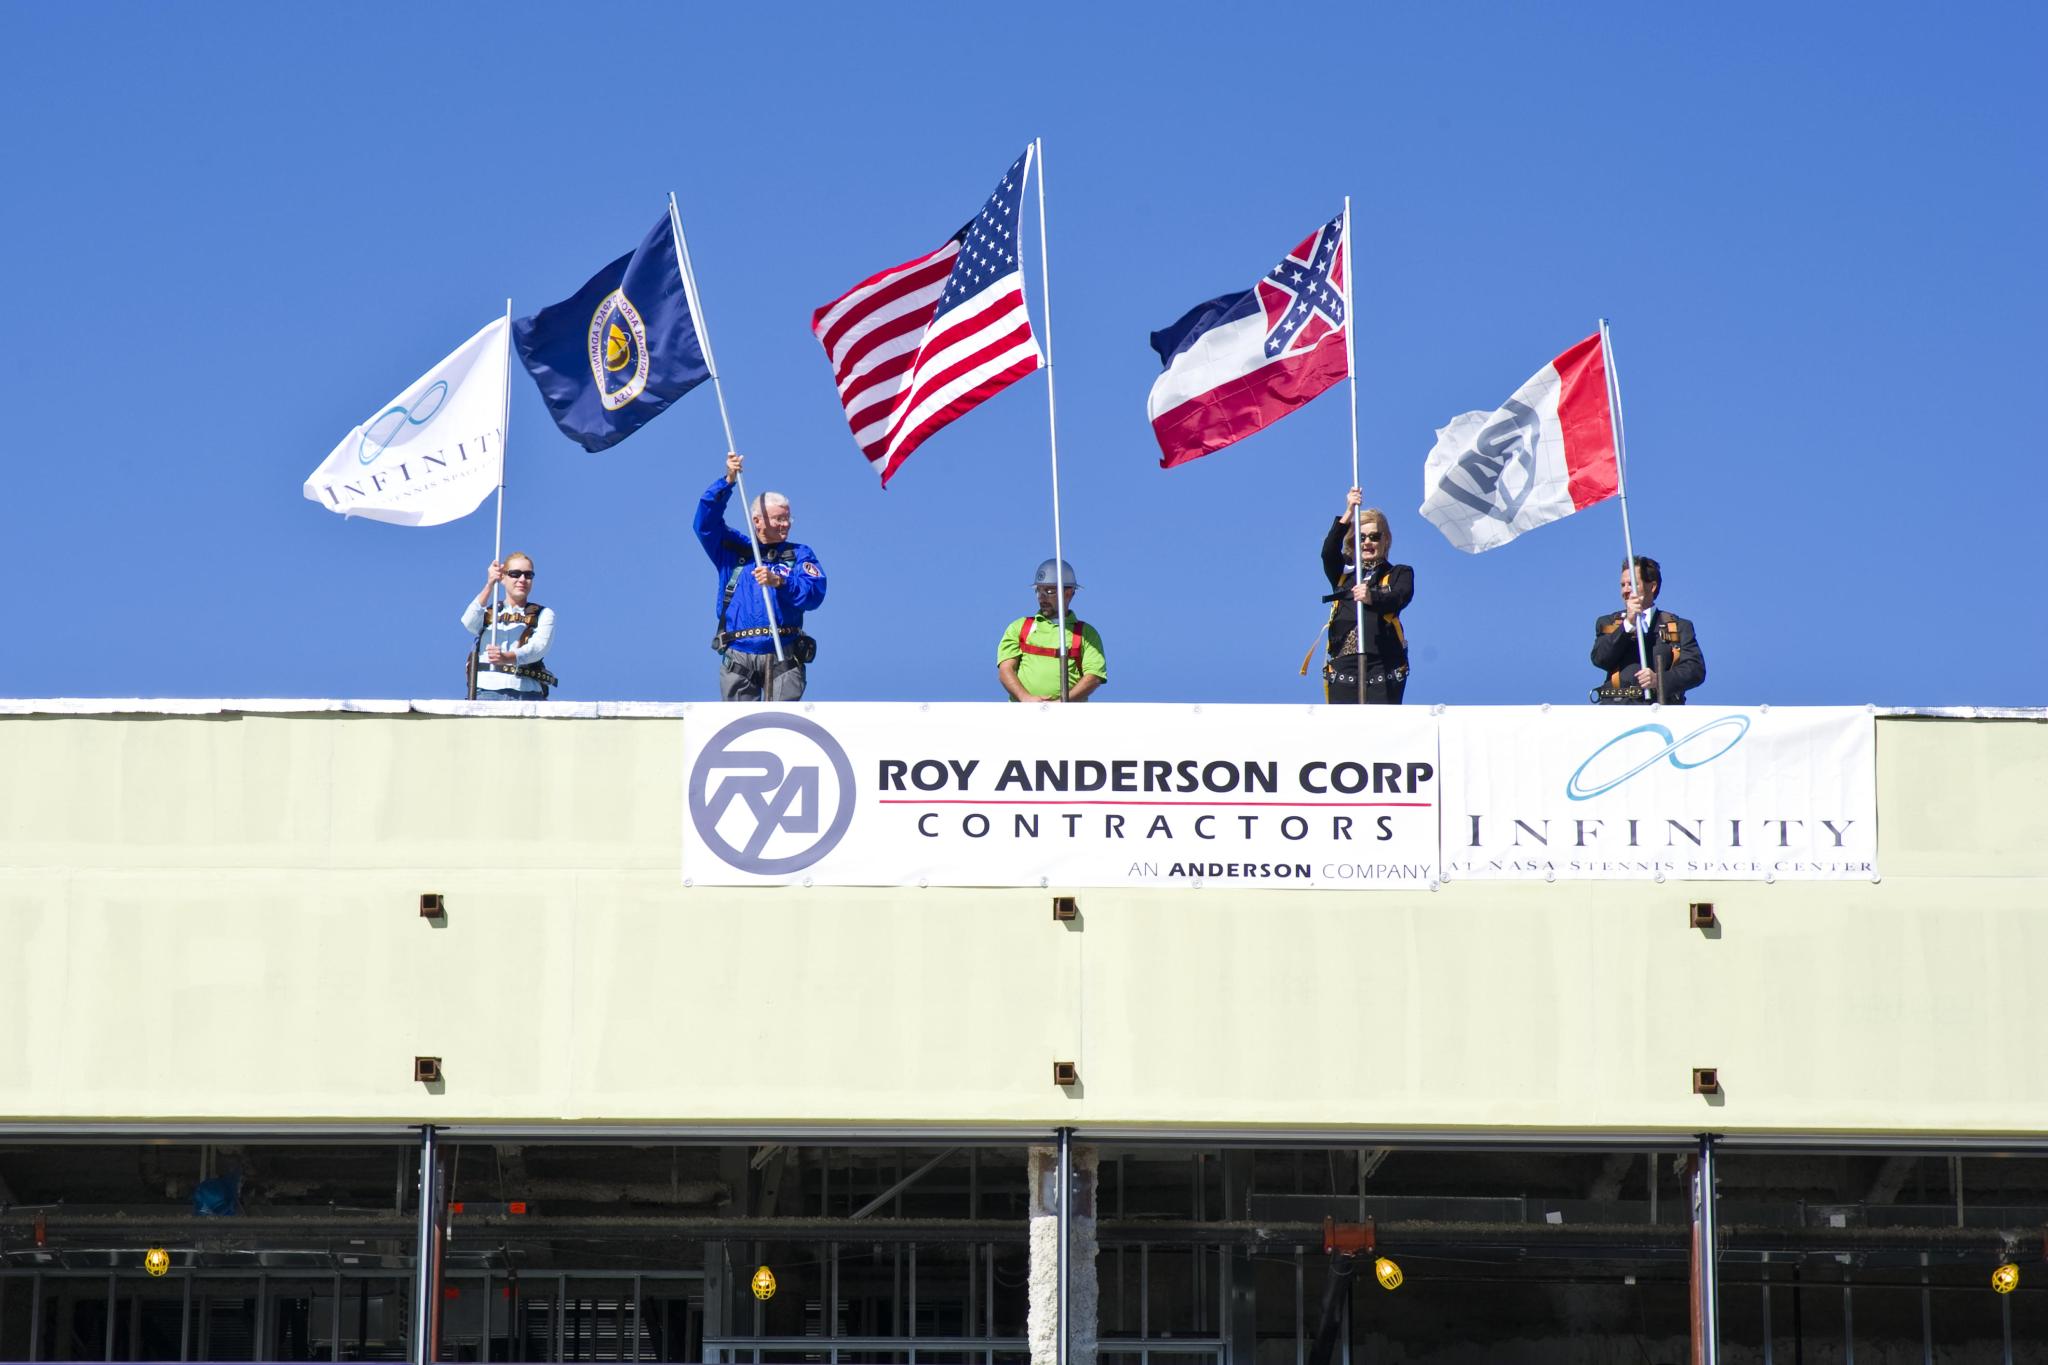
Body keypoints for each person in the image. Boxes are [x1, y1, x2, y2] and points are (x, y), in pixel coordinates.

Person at [695, 451, 826, 701]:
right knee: (741, 733)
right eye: (779, 519)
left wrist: (781, 582)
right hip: (738, 656)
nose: (785, 524)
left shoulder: (798, 554)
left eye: (788, 519)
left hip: (783, 653)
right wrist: (728, 481)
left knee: (782, 728)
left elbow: (815, 593)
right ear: (757, 520)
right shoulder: (733, 549)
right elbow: (704, 524)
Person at [1315, 488, 1413, 704]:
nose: (1367, 542)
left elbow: (1400, 597)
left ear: (1385, 540)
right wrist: (1348, 513)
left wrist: (1372, 597)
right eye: (1361, 537)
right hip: (1343, 661)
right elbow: (1328, 553)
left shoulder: (1399, 573)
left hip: (1383, 661)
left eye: (1374, 536)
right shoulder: (1345, 573)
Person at [1591, 555, 1706, 703]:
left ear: (1652, 587)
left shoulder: (1679, 627)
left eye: (1632, 584)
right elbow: (1600, 658)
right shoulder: (1608, 622)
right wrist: (1628, 624)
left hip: (1660, 713)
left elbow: (1695, 670)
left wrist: (1659, 680)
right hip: (1616, 712)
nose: (1625, 590)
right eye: (1622, 585)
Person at [997, 560, 1107, 702]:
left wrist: (1061, 703)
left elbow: (1094, 677)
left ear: (1069, 593)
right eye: (1038, 590)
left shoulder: (1086, 634)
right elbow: (1006, 670)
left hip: (1067, 717)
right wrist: (1025, 698)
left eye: (1049, 591)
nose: (1041, 597)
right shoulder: (1020, 627)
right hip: (1024, 716)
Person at [460, 553, 557, 700]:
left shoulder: (544, 614)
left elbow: (538, 648)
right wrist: (490, 584)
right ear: (503, 578)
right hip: (487, 691)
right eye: (515, 574)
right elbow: (469, 622)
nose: (522, 579)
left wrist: (507, 657)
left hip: (527, 692)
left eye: (528, 575)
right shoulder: (488, 612)